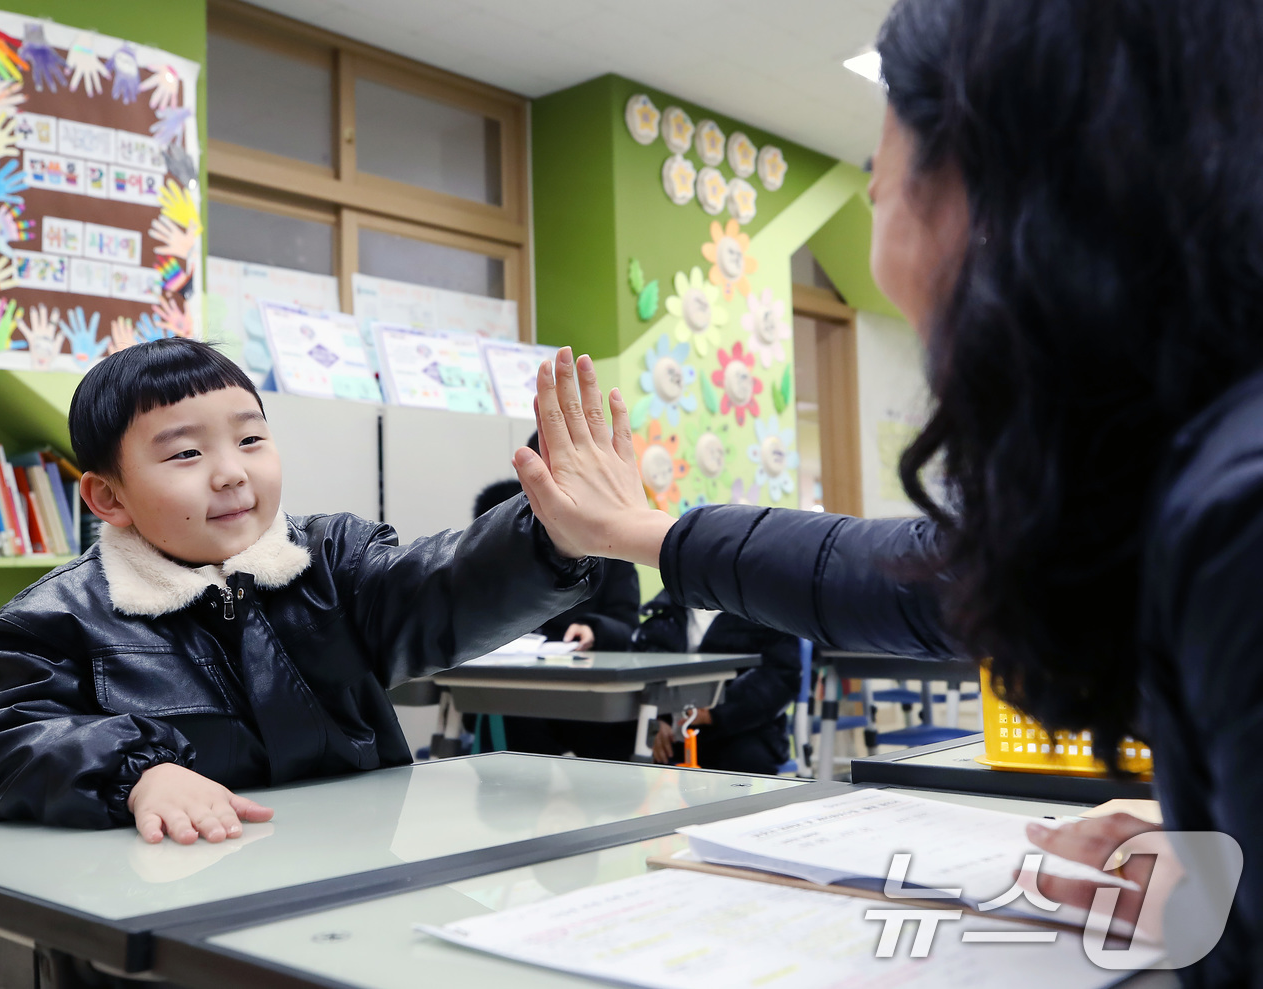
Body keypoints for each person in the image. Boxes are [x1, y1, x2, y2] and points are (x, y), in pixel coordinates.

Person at [509, 1, 1263, 980]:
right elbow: (892, 574)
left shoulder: (1233, 515)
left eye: (879, 175)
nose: (875, 208)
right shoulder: (1173, 467)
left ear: (987, 191)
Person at [0, 338, 599, 844]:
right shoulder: (52, 622)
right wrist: (138, 774)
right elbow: (2, 745)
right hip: (170, 907)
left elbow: (442, 584)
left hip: (345, 884)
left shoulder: (333, 564)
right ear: (108, 496)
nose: (232, 473)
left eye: (251, 439)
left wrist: (546, 535)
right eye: (185, 454)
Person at [467, 474, 640, 760]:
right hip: (513, 698)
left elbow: (628, 628)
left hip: (589, 697)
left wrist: (594, 630)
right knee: (509, 723)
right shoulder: (495, 550)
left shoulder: (611, 552)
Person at [635, 591, 804, 776]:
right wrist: (653, 719)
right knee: (620, 741)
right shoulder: (663, 611)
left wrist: (714, 714)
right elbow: (638, 670)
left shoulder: (765, 610)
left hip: (744, 729)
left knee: (743, 758)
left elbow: (780, 677)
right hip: (669, 730)